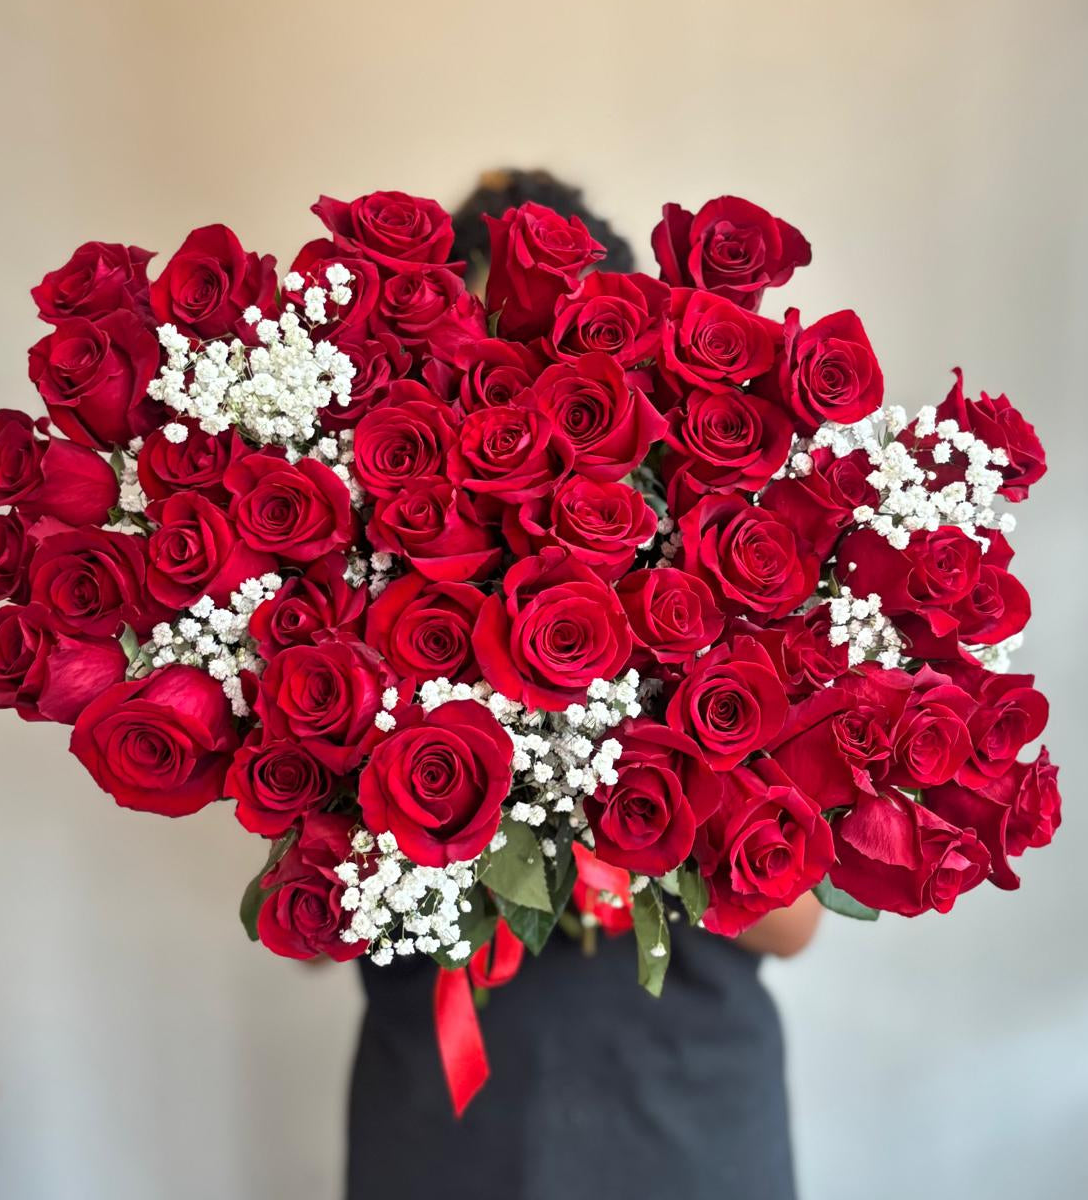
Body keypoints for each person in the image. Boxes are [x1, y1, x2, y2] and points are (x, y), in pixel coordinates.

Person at [346, 169, 821, 1200]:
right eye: (472, 370)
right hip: (444, 1121)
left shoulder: (729, 588)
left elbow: (794, 922)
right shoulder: (349, 604)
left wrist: (634, 787)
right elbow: (303, 932)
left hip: (688, 1120)